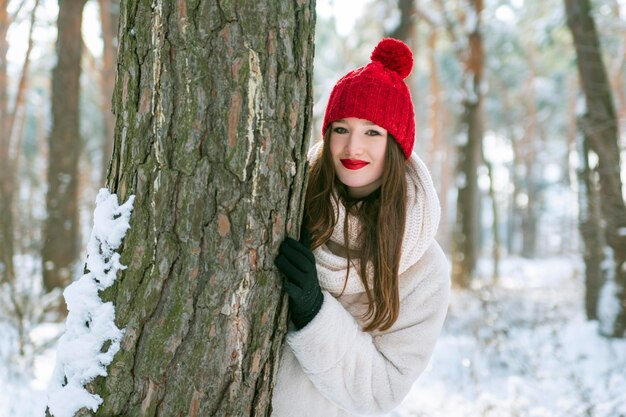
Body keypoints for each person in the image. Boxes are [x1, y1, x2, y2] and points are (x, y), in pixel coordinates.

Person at [272, 38, 451, 417]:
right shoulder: (288, 204)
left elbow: (382, 391)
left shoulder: (424, 266)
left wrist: (314, 311)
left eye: (373, 132)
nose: (353, 147)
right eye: (341, 129)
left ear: (396, 144)